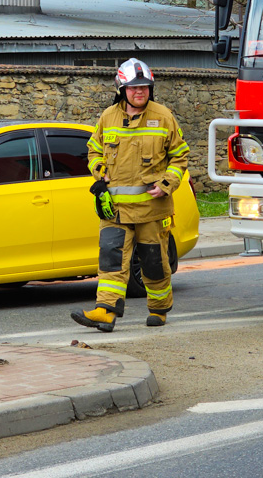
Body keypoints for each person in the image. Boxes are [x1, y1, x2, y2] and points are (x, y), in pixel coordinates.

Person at [71, 58, 189, 332]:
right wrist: (99, 173)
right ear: (121, 89)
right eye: (134, 88)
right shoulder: (108, 117)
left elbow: (180, 157)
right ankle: (105, 311)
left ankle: (159, 308)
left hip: (152, 209)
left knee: (154, 262)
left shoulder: (164, 116)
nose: (140, 92)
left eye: (145, 87)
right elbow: (94, 151)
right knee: (111, 260)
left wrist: (167, 183)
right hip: (116, 210)